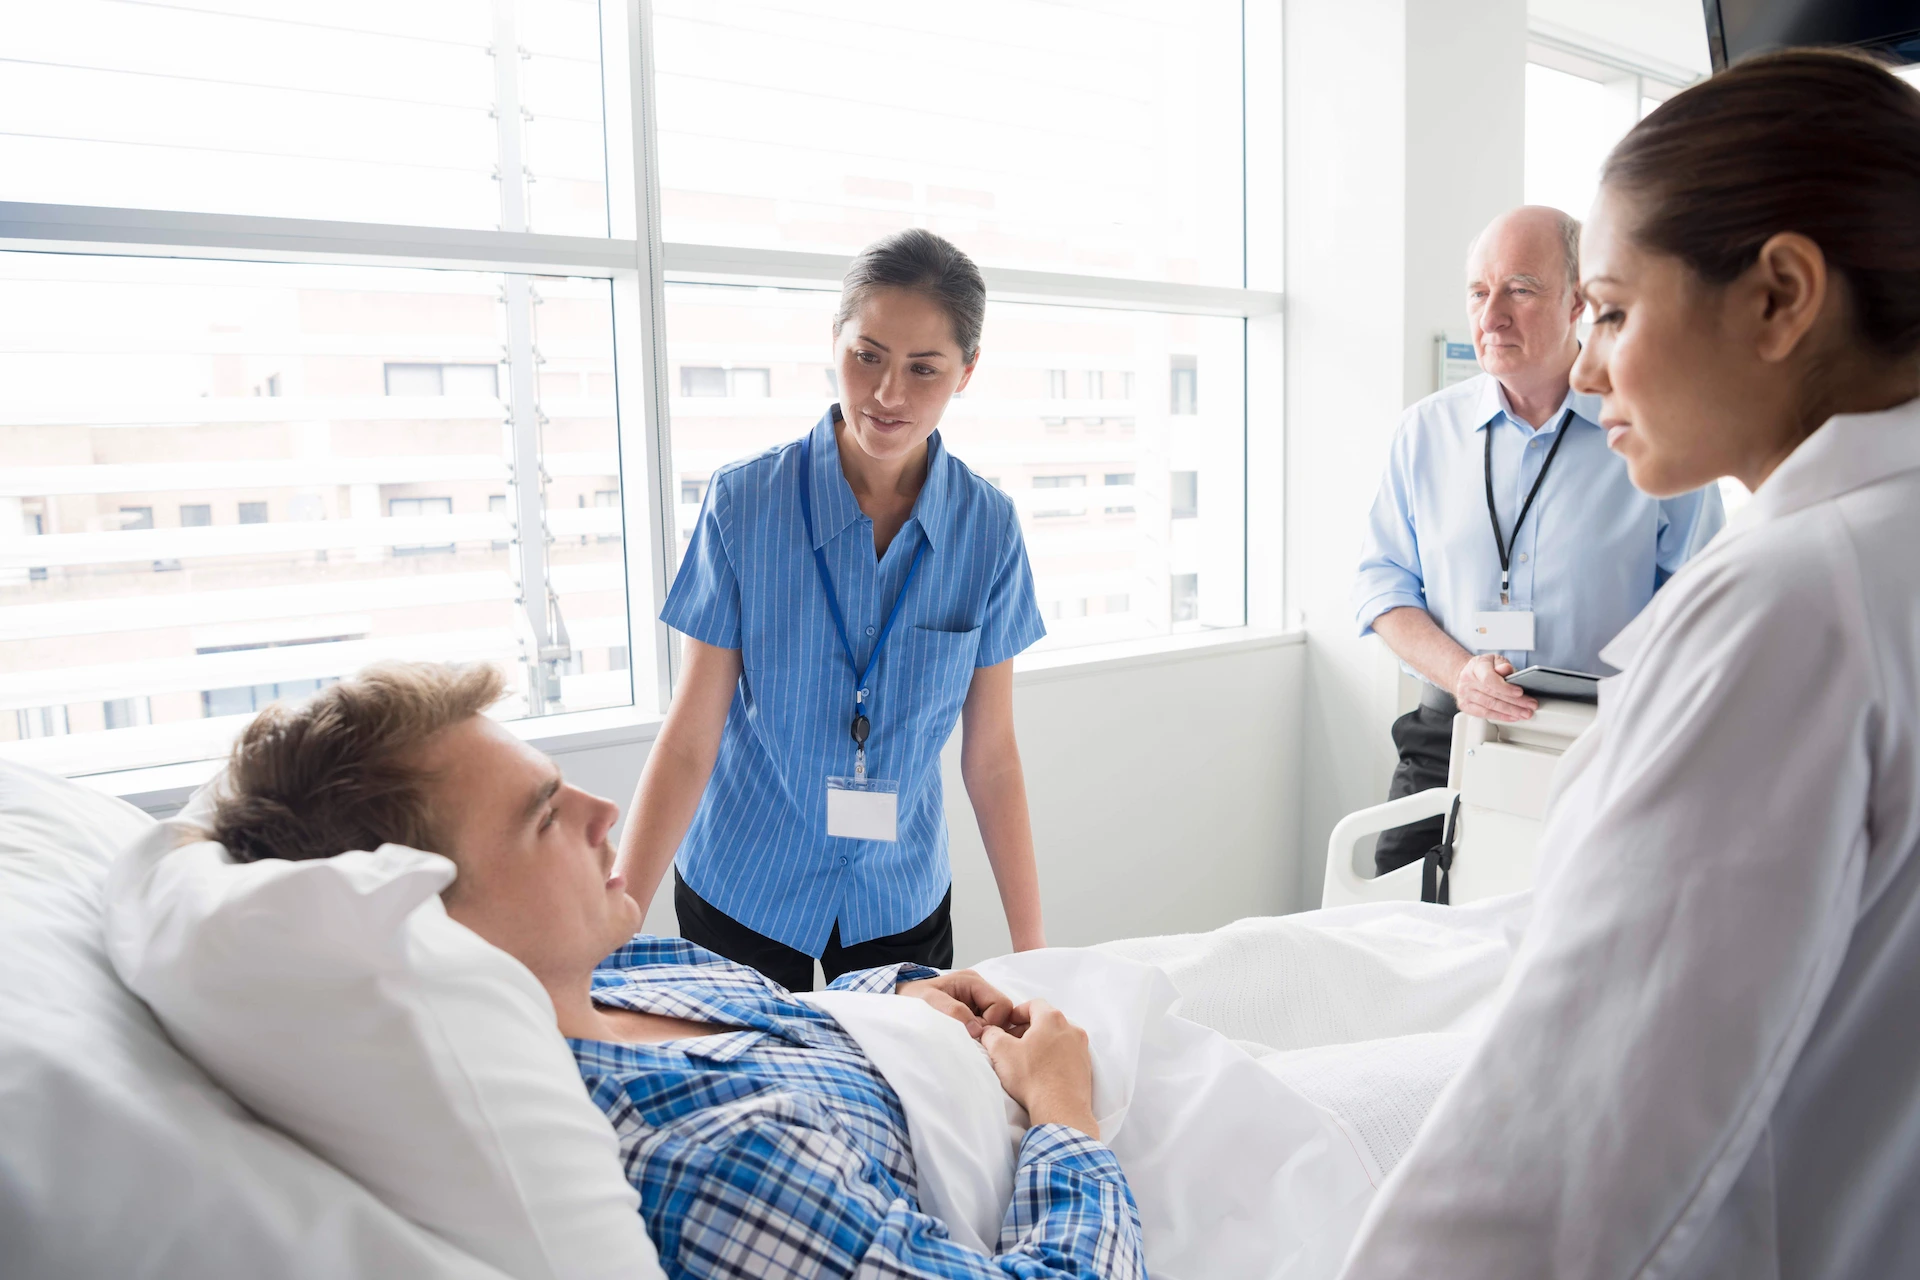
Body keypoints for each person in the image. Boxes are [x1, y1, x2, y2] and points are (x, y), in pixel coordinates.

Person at [1342, 49, 1920, 1277]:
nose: (1591, 362)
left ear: (1778, 297)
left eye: (1608, 308)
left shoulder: (1791, 603)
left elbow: (1568, 1147)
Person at [209, 662, 1144, 1280]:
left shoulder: (618, 974)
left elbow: (781, 1015)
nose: (603, 808)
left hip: (984, 1058)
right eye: (543, 817)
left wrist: (901, 996)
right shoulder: (707, 1164)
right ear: (436, 925)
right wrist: (1067, 1116)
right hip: (1086, 1166)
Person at [616, 228, 1047, 991]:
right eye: (867, 355)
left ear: (967, 372)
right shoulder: (743, 504)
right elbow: (691, 735)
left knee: (896, 1095)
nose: (888, 394)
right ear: (837, 342)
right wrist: (616, 911)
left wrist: (1035, 951)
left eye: (924, 369)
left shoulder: (989, 529)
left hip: (898, 893)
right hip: (743, 882)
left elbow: (993, 757)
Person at [1352, 205, 1725, 876]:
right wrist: (1462, 673)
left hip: (1599, 741)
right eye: (1478, 291)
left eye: (1519, 289)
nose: (1491, 314)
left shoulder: (1654, 435)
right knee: (1392, 926)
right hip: (1448, 733)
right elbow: (1382, 587)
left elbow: (1704, 605)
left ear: (1578, 301)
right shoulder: (1422, 434)